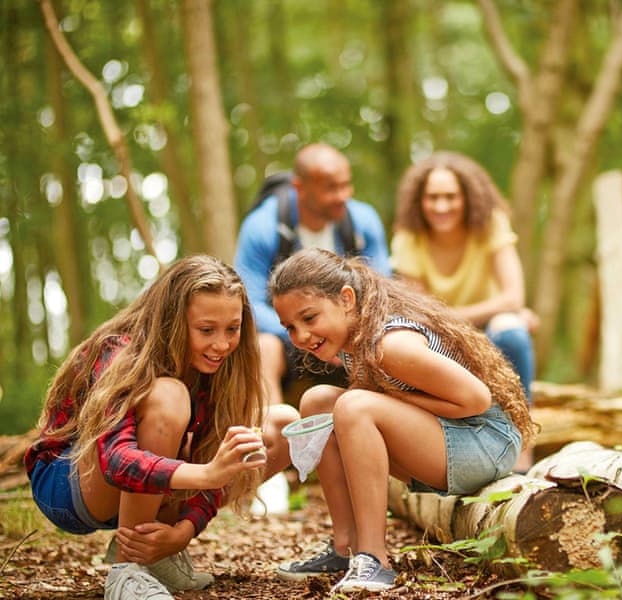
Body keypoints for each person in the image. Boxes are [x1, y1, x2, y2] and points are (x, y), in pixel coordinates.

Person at [24, 255, 296, 600]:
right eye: (206, 330)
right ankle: (127, 572)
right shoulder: (122, 353)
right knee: (169, 395)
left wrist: (184, 529)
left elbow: (212, 454)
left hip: (134, 489)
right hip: (68, 485)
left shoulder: (221, 366)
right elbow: (118, 460)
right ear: (173, 321)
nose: (223, 344)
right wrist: (208, 475)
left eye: (233, 328)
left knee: (283, 424)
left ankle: (154, 550)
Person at [269, 249, 538, 593]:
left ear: (347, 299)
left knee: (354, 406)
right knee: (318, 401)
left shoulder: (390, 345)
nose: (301, 336)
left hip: (486, 442)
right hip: (448, 436)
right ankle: (344, 546)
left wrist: (389, 399)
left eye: (309, 318)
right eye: (290, 327)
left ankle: (374, 560)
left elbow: (476, 399)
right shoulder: (357, 341)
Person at [390, 151, 538, 470]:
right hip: (438, 336)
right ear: (420, 201)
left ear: (467, 198)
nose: (441, 207)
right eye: (433, 198)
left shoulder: (489, 224)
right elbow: (416, 312)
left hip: (490, 328)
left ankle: (523, 444)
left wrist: (457, 317)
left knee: (512, 330)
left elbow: (513, 297)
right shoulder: (409, 237)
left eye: (450, 197)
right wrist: (456, 323)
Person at [234, 142, 391, 408]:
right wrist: (308, 332)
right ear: (300, 188)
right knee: (264, 348)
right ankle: (271, 431)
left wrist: (342, 332)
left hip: (350, 332)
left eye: (346, 184)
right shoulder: (262, 227)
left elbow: (382, 291)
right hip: (291, 336)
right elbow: (249, 305)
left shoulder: (363, 221)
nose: (343, 195)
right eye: (331, 187)